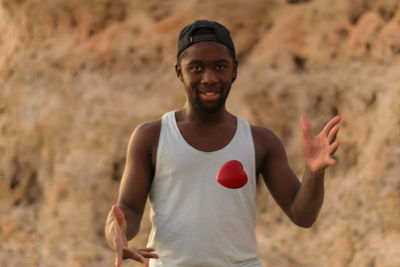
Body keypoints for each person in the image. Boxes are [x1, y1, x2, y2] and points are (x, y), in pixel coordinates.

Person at [104, 20, 341, 267]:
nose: (209, 78)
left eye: (220, 67)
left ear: (234, 70)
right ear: (178, 71)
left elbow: (302, 215)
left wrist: (314, 173)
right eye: (196, 68)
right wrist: (116, 233)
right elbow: (127, 210)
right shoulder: (151, 137)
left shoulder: (260, 141)